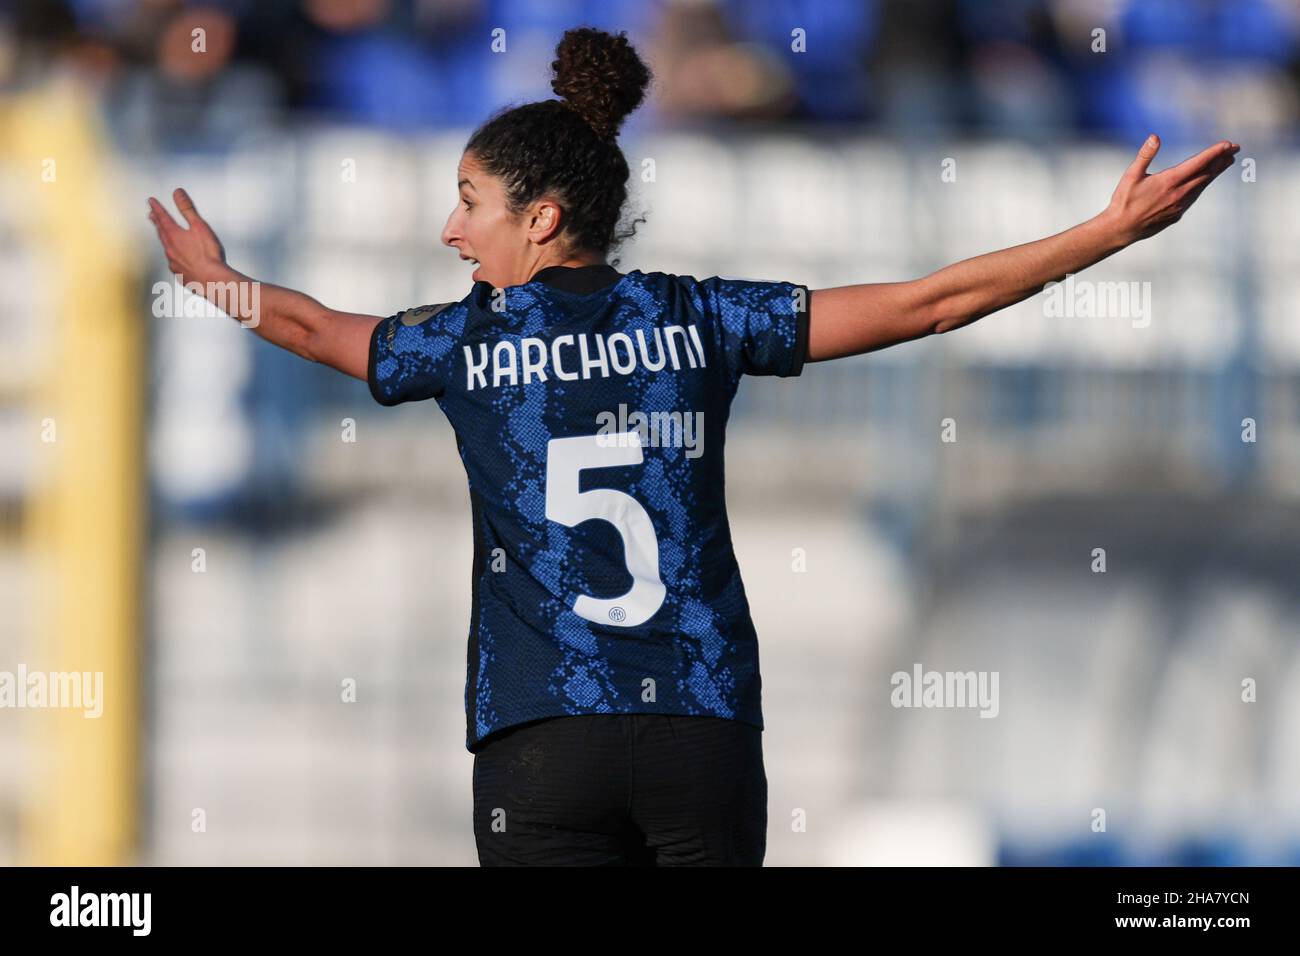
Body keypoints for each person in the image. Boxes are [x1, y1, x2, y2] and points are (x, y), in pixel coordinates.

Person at [146, 26, 1239, 866]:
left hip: (541, 731)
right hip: (700, 725)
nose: (450, 229)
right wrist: (1104, 233)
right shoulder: (704, 318)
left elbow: (310, 328)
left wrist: (214, 280)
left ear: (541, 216)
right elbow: (930, 303)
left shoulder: (466, 343)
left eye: (468, 202)